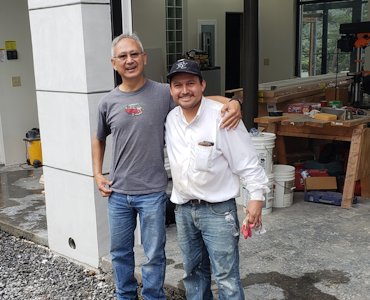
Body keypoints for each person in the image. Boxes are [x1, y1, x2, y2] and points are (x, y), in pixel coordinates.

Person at [91, 33, 242, 300]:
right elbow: (98, 138)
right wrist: (97, 173)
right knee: (120, 252)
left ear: (144, 58)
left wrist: (233, 103)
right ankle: (124, 295)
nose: (129, 60)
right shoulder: (107, 102)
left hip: (152, 192)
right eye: (123, 56)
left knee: (153, 254)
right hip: (118, 193)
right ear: (114, 63)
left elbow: (200, 99)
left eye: (134, 54)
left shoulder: (164, 93)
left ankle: (152, 297)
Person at [165, 59, 269, 300]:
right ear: (170, 90)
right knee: (193, 274)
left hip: (219, 212)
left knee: (227, 278)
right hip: (183, 210)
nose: (185, 90)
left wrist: (256, 198)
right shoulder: (171, 120)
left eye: (191, 83)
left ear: (202, 85)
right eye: (177, 85)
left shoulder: (222, 117)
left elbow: (247, 161)